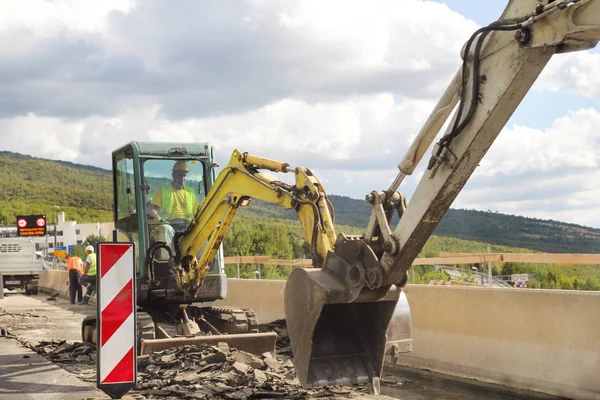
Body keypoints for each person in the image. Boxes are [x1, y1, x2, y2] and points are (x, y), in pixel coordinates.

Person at [147, 161, 200, 248]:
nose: (182, 178)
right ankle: (170, 257)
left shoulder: (191, 192)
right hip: (169, 223)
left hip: (187, 224)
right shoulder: (163, 189)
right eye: (180, 175)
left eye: (184, 175)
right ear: (173, 175)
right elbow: (151, 209)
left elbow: (197, 212)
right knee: (166, 230)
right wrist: (160, 219)